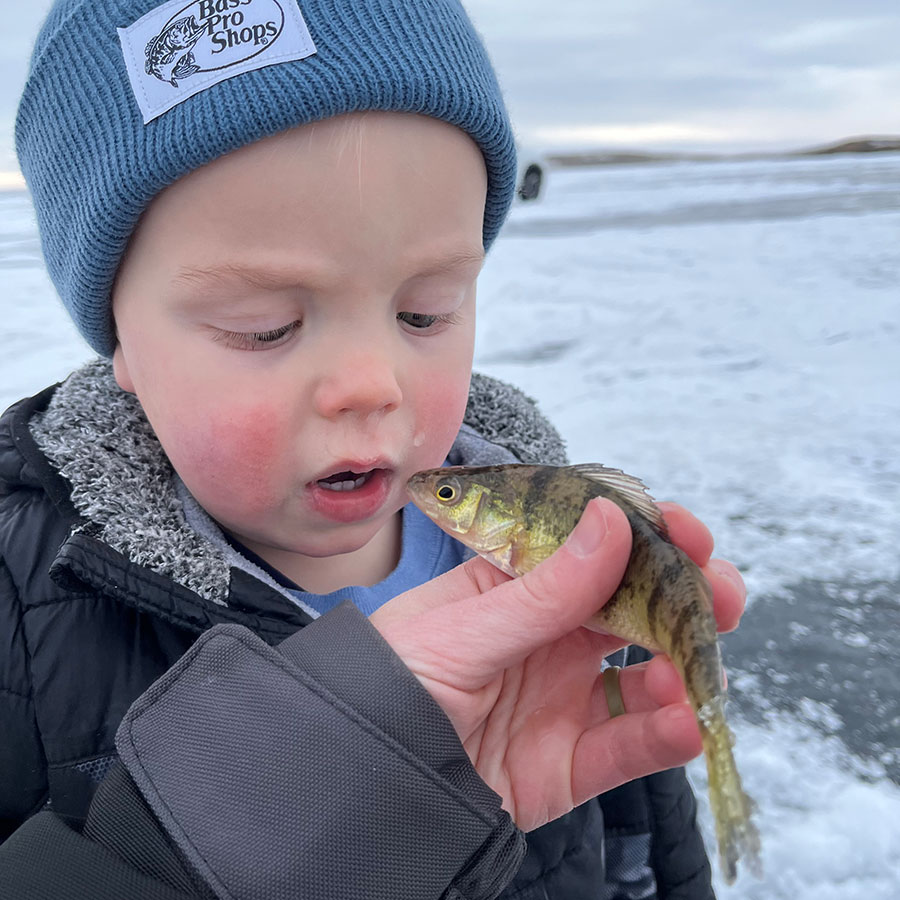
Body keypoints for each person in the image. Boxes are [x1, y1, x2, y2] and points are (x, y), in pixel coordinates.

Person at [0, 1, 747, 897]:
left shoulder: (561, 542)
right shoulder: (20, 608)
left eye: (425, 312)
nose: (371, 382)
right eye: (264, 326)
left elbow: (643, 843)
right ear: (120, 339)